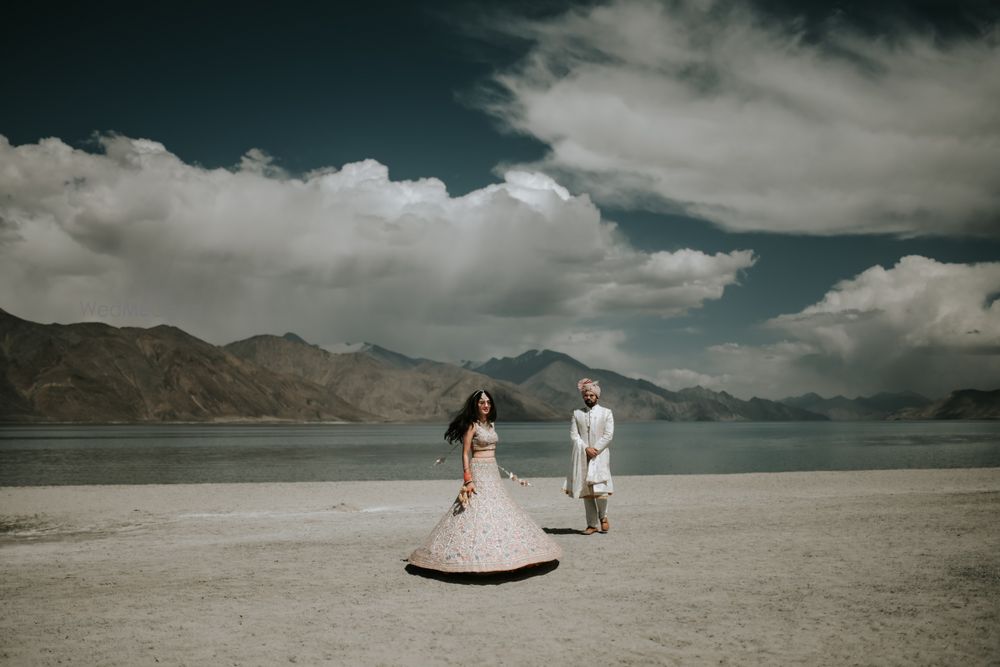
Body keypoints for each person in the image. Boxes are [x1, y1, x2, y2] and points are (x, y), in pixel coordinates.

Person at [408, 389, 562, 573]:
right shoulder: (472, 425)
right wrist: (468, 478)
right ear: (476, 405)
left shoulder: (491, 424)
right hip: (478, 470)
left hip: (492, 470)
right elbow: (465, 453)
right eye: (482, 402)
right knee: (476, 507)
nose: (486, 405)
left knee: (499, 505)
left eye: (488, 402)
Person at [563, 378, 614, 534]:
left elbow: (608, 434)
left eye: (592, 395)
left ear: (597, 396)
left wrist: (595, 449)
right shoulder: (577, 414)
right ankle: (591, 525)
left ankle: (603, 517)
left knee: (601, 491)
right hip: (583, 456)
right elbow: (574, 435)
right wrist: (585, 448)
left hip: (600, 456)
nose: (589, 398)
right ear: (583, 397)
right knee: (587, 493)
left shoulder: (606, 413)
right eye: (586, 395)